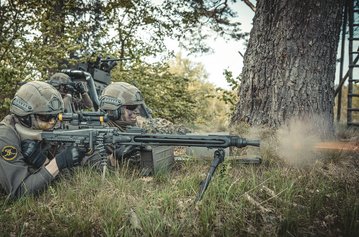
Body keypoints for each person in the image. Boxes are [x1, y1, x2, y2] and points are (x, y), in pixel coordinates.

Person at [0, 81, 85, 199]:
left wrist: (42, 161)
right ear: (26, 117)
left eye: (56, 117)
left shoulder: (39, 131)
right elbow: (19, 192)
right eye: (46, 117)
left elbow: (65, 181)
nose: (52, 122)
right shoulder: (5, 138)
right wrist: (57, 163)